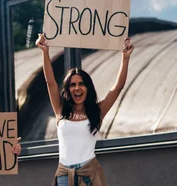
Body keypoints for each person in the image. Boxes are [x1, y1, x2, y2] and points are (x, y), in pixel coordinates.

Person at [35, 34, 134, 186]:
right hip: (64, 176)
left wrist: (125, 57)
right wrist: (45, 52)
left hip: (89, 174)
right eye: (72, 85)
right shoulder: (60, 110)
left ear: (88, 88)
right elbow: (51, 83)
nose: (77, 88)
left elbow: (117, 87)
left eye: (81, 84)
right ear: (68, 90)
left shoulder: (97, 111)